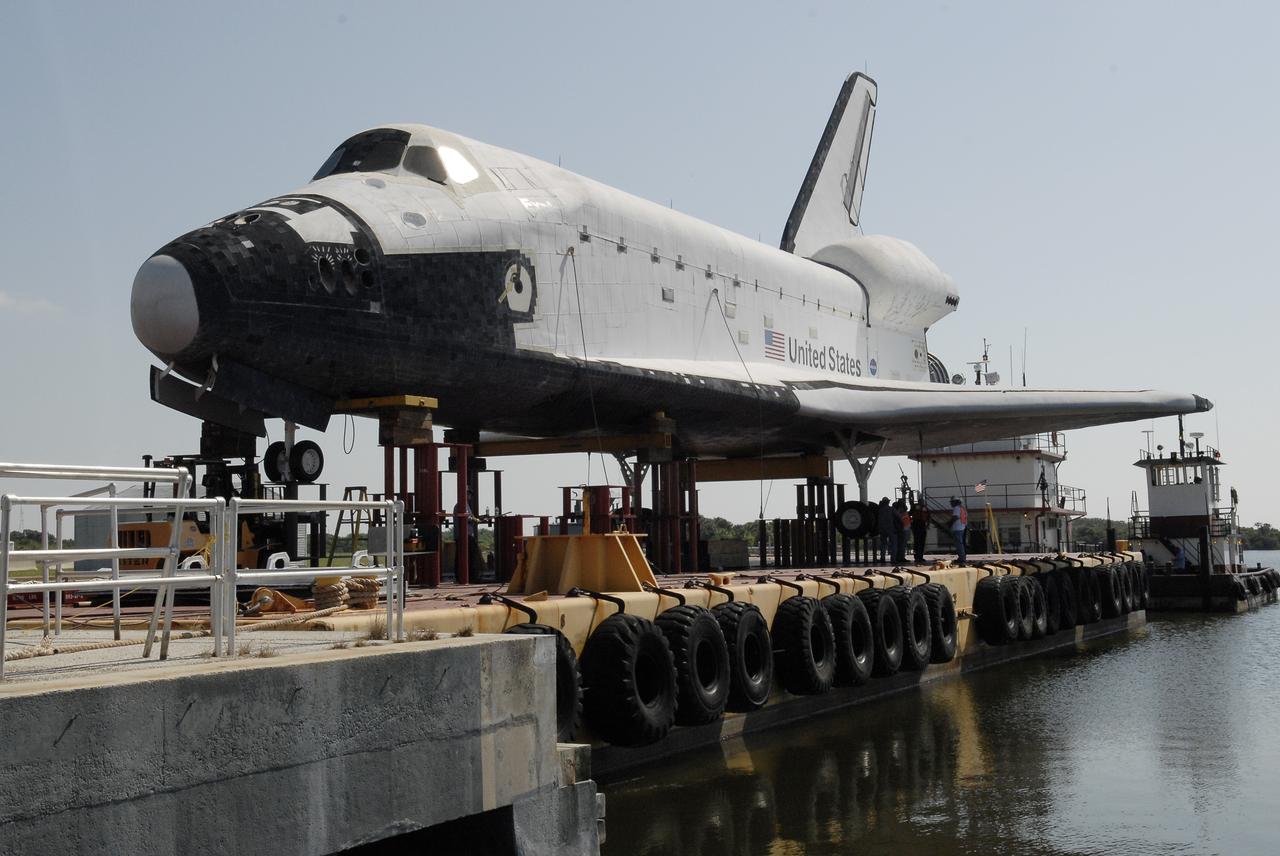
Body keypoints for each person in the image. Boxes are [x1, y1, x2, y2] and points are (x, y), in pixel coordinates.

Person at [876, 497, 896, 563]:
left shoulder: (880, 510)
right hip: (890, 528)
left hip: (882, 529)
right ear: (888, 502)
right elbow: (897, 517)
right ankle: (893, 559)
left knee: (883, 544)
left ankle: (882, 558)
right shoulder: (891, 509)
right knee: (893, 544)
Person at [950, 497, 968, 564]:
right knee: (961, 544)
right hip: (962, 528)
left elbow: (955, 517)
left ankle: (962, 559)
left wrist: (948, 523)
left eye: (952, 502)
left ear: (955, 502)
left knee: (959, 544)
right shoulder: (962, 508)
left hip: (958, 529)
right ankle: (962, 557)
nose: (951, 503)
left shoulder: (956, 508)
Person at [892, 499, 909, 564]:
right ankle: (900, 557)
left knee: (902, 544)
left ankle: (901, 557)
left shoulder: (901, 510)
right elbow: (900, 519)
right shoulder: (900, 510)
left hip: (905, 528)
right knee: (902, 545)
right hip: (903, 529)